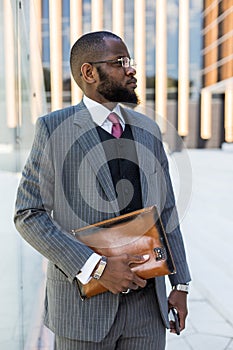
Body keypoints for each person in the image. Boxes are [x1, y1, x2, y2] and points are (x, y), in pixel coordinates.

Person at [14, 31, 191, 349]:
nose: (131, 69)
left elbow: (166, 210)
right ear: (89, 72)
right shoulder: (53, 129)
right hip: (83, 309)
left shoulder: (148, 128)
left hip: (147, 311)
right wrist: (96, 268)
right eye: (120, 62)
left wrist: (181, 283)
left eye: (130, 61)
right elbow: (29, 213)